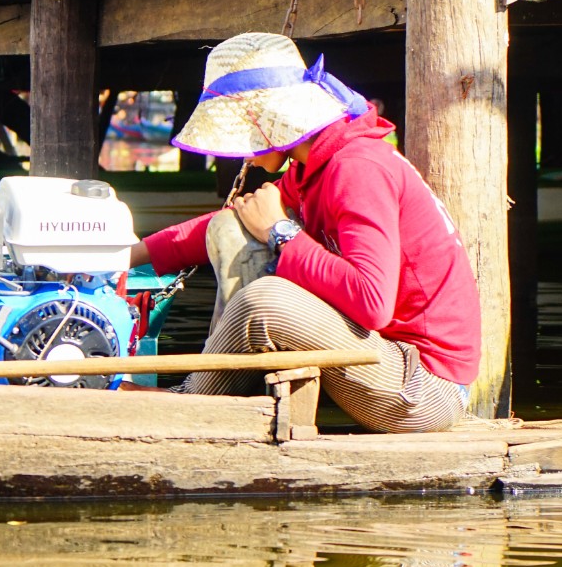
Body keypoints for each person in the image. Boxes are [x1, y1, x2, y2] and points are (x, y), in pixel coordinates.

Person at [129, 32, 481, 433]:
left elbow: (373, 303)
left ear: (270, 121)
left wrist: (281, 232)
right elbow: (224, 222)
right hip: (385, 360)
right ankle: (220, 397)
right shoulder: (312, 166)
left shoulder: (357, 168)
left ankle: (194, 403)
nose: (243, 151)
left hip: (424, 389)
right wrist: (127, 256)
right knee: (232, 225)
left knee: (266, 299)